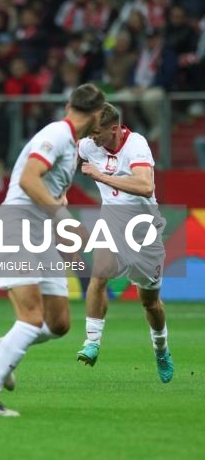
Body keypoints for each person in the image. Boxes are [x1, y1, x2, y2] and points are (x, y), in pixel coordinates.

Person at [0, 83, 105, 417]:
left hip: (39, 234)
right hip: (16, 228)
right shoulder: (58, 134)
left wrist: (65, 237)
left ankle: (2, 346)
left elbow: (48, 196)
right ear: (97, 114)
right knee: (30, 318)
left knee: (58, 323)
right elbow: (30, 179)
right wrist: (64, 217)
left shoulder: (70, 145)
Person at [76, 103, 173, 382]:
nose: (93, 139)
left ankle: (161, 349)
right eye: (90, 134)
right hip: (113, 223)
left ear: (115, 129)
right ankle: (92, 342)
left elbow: (145, 187)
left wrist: (101, 176)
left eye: (98, 133)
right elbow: (67, 148)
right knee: (99, 276)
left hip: (143, 231)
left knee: (150, 303)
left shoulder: (137, 146)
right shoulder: (90, 143)